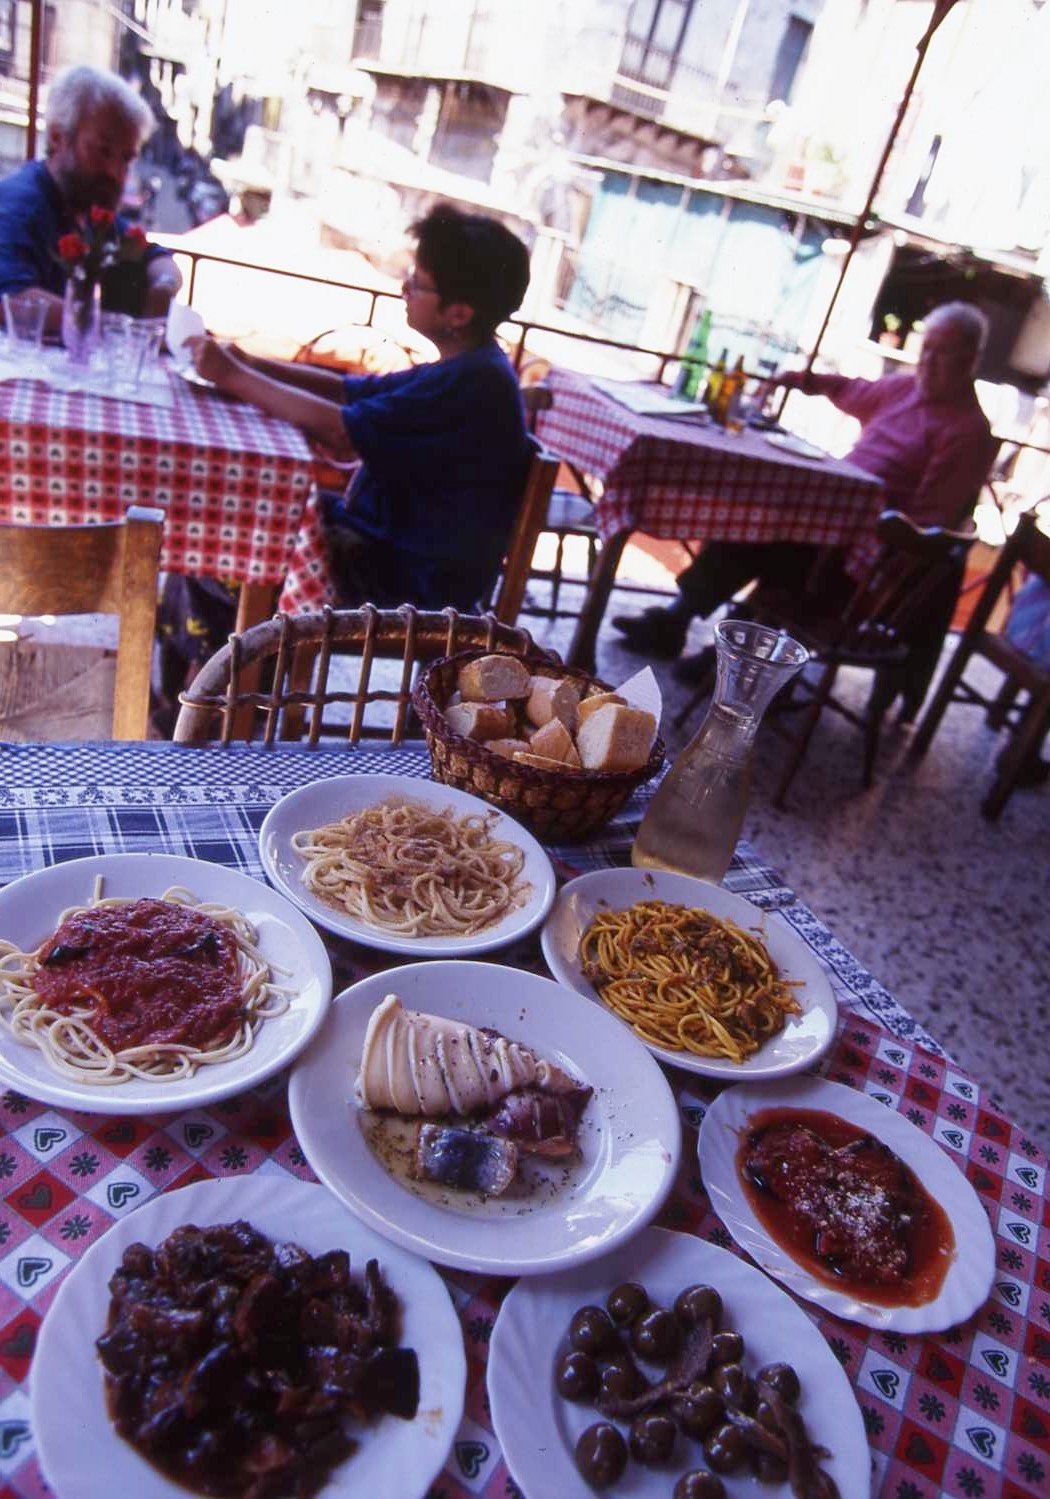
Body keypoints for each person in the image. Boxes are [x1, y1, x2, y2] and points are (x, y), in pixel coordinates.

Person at [154, 204, 532, 717]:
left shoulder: (474, 382)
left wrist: (234, 377)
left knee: (229, 545)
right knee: (232, 521)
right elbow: (351, 390)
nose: (404, 288)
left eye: (418, 283)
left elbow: (340, 429)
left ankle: (216, 705)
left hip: (409, 582)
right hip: (385, 545)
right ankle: (211, 690)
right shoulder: (470, 366)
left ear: (458, 313)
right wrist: (248, 362)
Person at [613, 302, 1000, 685]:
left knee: (780, 539)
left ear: (970, 360)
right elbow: (851, 389)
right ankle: (681, 621)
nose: (928, 362)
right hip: (830, 525)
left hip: (866, 559)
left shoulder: (968, 432)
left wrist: (862, 522)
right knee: (764, 517)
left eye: (942, 352)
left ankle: (726, 653)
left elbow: (926, 523)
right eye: (926, 349)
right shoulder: (903, 389)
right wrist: (801, 379)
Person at [0, 64, 182, 327]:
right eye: (103, 151)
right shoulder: (19, 207)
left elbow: (154, 255)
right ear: (57, 138)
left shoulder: (85, 209)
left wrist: (164, 286)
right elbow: (12, 299)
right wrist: (116, 330)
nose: (115, 172)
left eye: (126, 158)